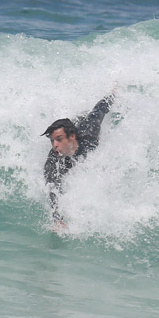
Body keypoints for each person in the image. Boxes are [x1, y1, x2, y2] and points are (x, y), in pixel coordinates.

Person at [41, 91, 116, 227]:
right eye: (52, 141)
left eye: (58, 140)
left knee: (91, 115)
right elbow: (52, 187)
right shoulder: (53, 158)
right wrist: (57, 217)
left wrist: (112, 93)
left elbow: (99, 110)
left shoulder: (90, 134)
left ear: (71, 138)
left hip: (83, 123)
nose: (54, 145)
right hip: (73, 135)